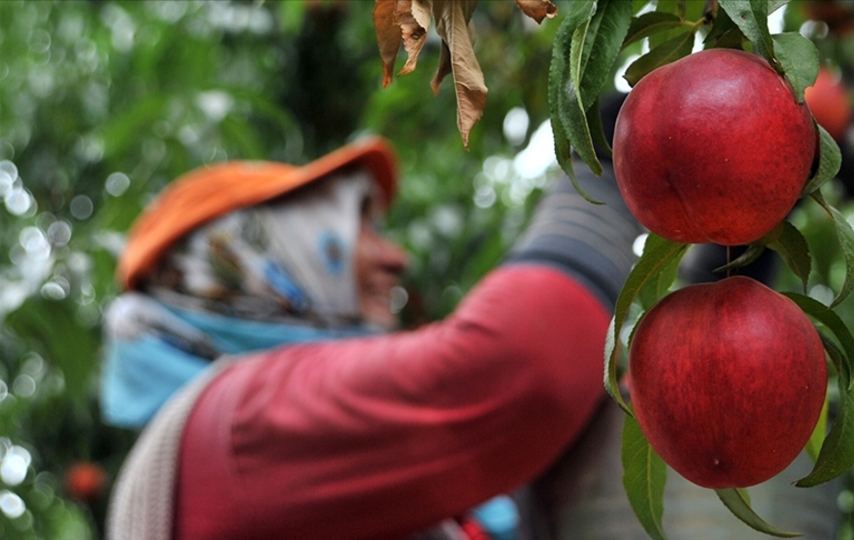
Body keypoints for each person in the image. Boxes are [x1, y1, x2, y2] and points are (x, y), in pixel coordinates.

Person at [100, 134, 644, 539]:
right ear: (254, 259)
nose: (395, 259)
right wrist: (598, 182)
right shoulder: (233, 428)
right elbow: (520, 365)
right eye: (358, 227)